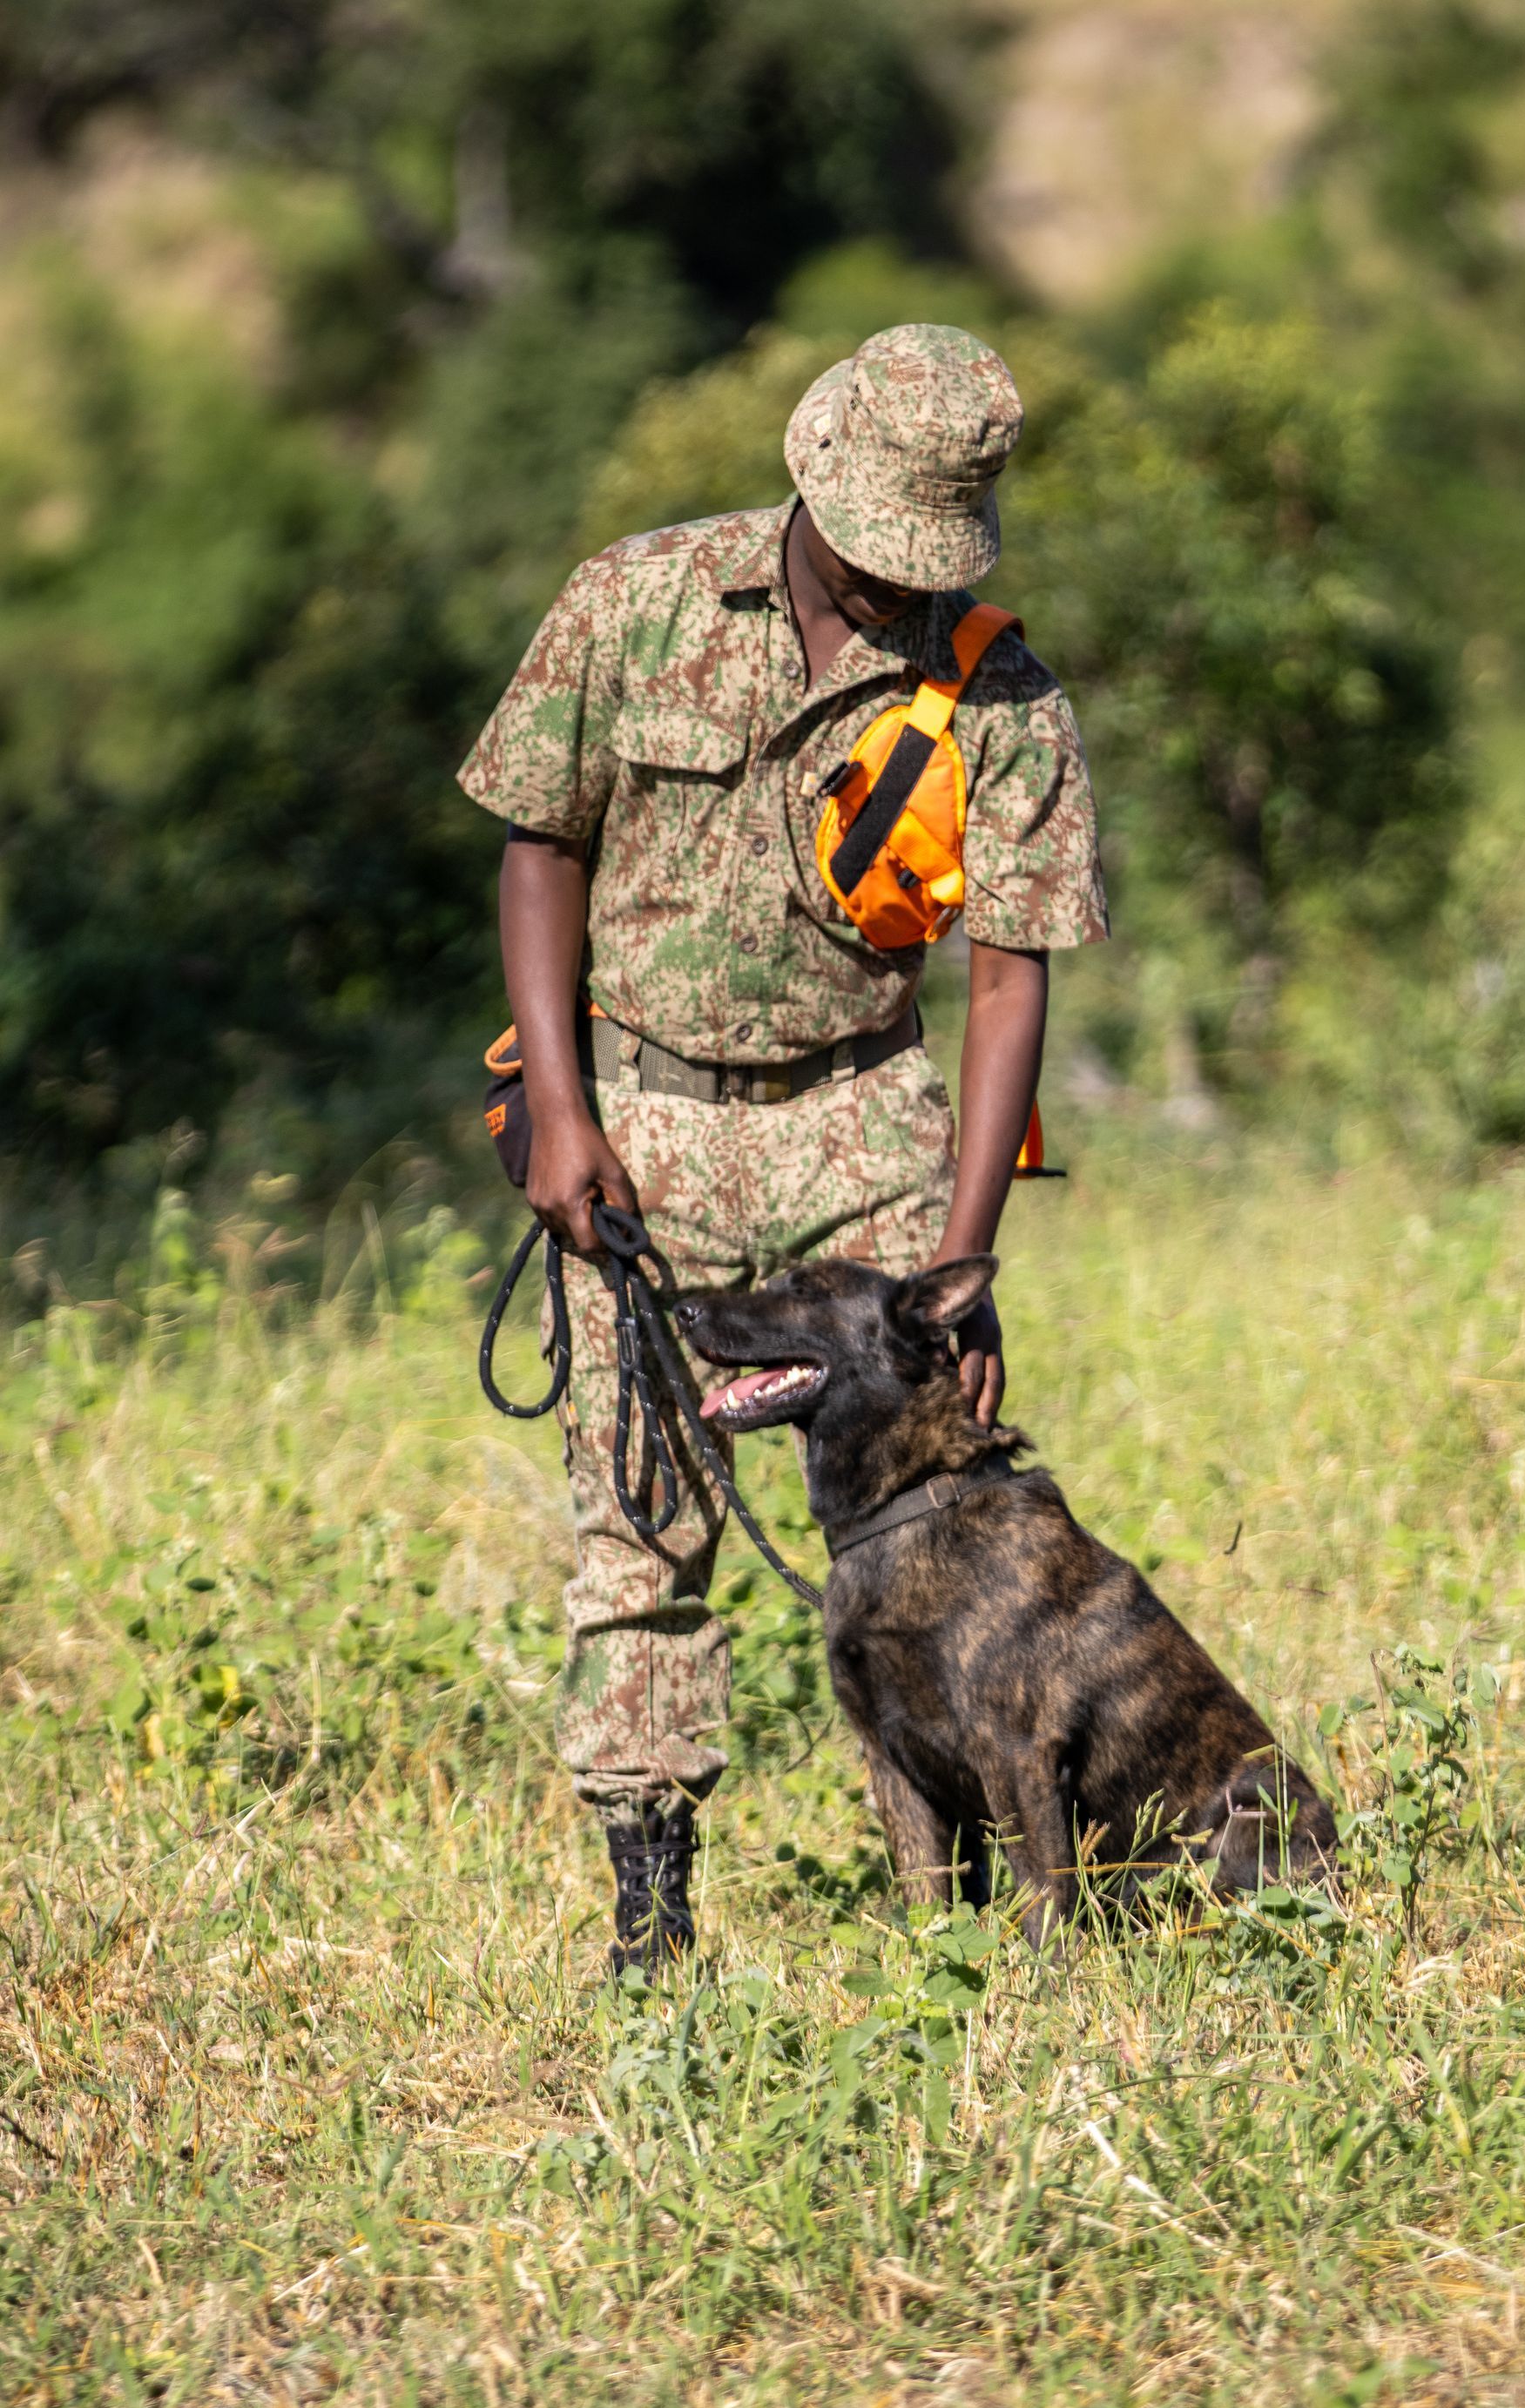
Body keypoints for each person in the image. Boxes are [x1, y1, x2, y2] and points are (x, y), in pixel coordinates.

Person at [457, 323, 1108, 1973]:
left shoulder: (1002, 696)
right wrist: (558, 1100)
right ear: (811, 474)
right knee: (640, 1520)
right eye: (877, 545)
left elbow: (1007, 976)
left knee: (947, 1525)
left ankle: (969, 1908)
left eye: (926, 559)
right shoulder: (635, 597)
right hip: (647, 1125)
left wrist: (962, 1255)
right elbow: (540, 849)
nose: (896, 583)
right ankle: (654, 1920)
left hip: (873, 1128)